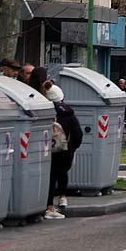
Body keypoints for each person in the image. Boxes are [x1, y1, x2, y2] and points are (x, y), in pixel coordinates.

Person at [42, 80, 82, 219]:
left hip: (48, 150)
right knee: (62, 172)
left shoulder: (45, 111)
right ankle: (63, 196)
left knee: (51, 176)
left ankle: (49, 205)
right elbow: (78, 134)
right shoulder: (69, 113)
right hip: (65, 149)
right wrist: (73, 147)